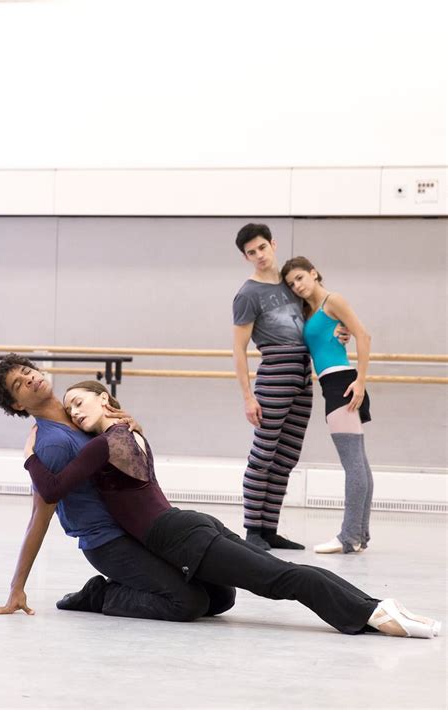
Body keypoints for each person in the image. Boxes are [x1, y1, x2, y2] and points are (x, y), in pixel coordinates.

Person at [24, 379, 440, 639]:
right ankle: (376, 608)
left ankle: (374, 611)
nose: (74, 411)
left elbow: (54, 487)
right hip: (188, 527)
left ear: (104, 398)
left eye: (80, 401)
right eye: (70, 406)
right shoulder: (130, 431)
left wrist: (30, 455)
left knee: (279, 578)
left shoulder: (104, 443)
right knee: (235, 592)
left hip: (182, 537)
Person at [0, 353, 236, 620]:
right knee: (189, 603)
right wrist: (17, 587)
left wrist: (135, 426)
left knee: (221, 596)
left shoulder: (82, 417)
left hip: (137, 527)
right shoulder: (51, 443)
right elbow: (39, 516)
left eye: (27, 370)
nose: (29, 378)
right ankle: (101, 595)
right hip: (107, 543)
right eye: (19, 384)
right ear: (17, 404)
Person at [232, 223, 349, 551]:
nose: (259, 256)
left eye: (262, 248)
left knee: (286, 457)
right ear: (246, 257)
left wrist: (343, 332)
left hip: (301, 375)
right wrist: (247, 396)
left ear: (273, 245)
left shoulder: (290, 285)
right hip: (274, 375)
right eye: (251, 253)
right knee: (264, 454)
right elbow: (238, 349)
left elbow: (318, 320)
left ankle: (269, 529)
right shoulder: (247, 294)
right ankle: (253, 530)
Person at [282, 257, 373, 554]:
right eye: (292, 284)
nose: (298, 286)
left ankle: (348, 537)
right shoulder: (312, 311)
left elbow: (363, 334)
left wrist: (360, 381)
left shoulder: (333, 300)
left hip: (342, 384)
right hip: (332, 383)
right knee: (359, 462)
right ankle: (360, 535)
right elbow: (335, 336)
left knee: (353, 464)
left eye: (300, 278)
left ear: (313, 273)